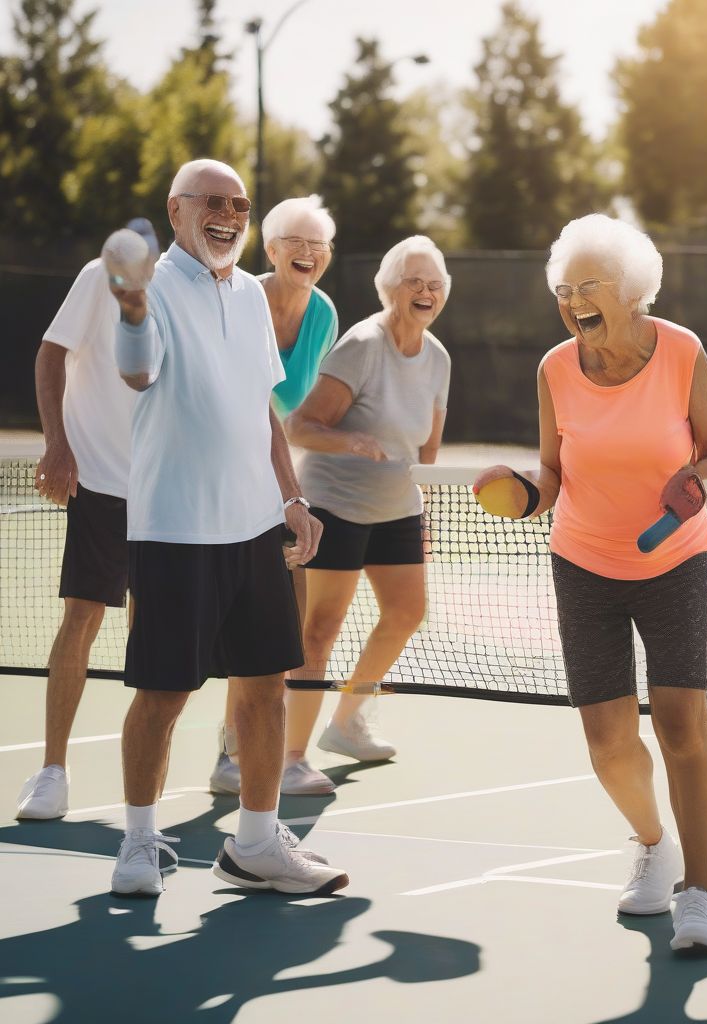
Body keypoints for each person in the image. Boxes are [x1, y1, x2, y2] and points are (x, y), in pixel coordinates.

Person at [475, 214, 707, 953]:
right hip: (583, 561)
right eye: (564, 288)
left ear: (632, 290)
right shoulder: (555, 369)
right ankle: (656, 844)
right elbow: (553, 471)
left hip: (675, 559)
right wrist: (529, 494)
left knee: (683, 728)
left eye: (588, 285)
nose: (573, 300)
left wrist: (694, 478)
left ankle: (702, 895)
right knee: (607, 741)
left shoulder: (683, 352)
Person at [109, 158, 346, 898]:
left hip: (254, 529)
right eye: (214, 202)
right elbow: (139, 374)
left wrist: (292, 500)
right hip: (175, 526)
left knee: (266, 688)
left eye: (241, 204)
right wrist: (135, 311)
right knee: (163, 692)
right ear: (177, 211)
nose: (231, 215)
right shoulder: (154, 286)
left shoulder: (249, 294)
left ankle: (252, 846)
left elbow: (262, 409)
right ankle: (140, 842)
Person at [283, 235, 451, 771]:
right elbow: (300, 426)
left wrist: (425, 507)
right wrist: (351, 442)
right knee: (319, 629)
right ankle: (287, 756)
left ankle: (347, 723)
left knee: (406, 611)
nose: (426, 292)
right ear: (389, 288)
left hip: (396, 507)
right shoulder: (360, 346)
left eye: (435, 283)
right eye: (414, 281)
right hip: (334, 505)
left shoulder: (439, 358)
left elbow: (426, 450)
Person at [14, 218, 157, 821]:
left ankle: (165, 786)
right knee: (83, 616)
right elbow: (52, 353)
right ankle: (52, 772)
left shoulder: (191, 289)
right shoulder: (96, 277)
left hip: (168, 491)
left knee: (159, 634)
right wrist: (57, 444)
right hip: (99, 479)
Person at [209, 195, 340, 799]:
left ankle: (255, 752)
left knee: (283, 620)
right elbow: (243, 399)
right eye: (295, 241)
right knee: (239, 621)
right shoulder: (238, 296)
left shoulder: (325, 314)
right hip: (228, 476)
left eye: (317, 244)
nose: (307, 253)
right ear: (270, 247)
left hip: (284, 483)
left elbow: (300, 408)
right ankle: (233, 753)